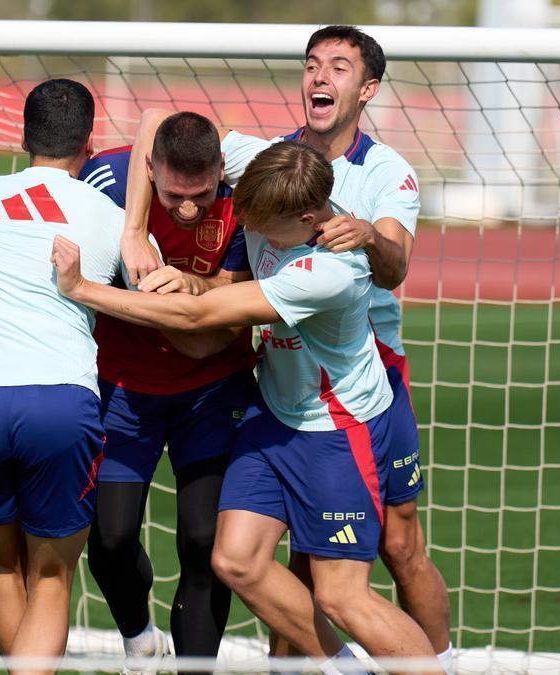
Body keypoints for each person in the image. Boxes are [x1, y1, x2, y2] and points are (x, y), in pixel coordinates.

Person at [119, 25, 453, 673]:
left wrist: (368, 237)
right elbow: (158, 120)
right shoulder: (269, 159)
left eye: (339, 67)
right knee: (275, 560)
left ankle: (444, 661)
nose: (320, 76)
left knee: (397, 546)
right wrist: (135, 231)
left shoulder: (386, 173)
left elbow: (394, 267)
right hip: (283, 377)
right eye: (311, 64)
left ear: (368, 89)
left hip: (365, 379)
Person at [52, 141, 440, 675]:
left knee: (342, 595)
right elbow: (158, 125)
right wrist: (135, 230)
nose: (246, 226)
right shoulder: (275, 177)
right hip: (273, 414)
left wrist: (81, 288)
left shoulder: (331, 271)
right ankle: (345, 668)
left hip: (336, 430)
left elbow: (197, 318)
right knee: (235, 560)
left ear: (306, 220)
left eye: (260, 223)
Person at [0, 78, 127, 675]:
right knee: (51, 577)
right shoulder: (112, 217)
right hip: (59, 400)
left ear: (23, 137)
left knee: (1, 569)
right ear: (90, 144)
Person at [76, 111, 255, 669]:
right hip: (123, 388)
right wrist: (131, 238)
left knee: (204, 542)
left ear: (221, 168)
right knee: (109, 542)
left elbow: (241, 294)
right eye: (175, 195)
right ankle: (140, 640)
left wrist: (188, 291)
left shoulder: (247, 193)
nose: (188, 209)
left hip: (212, 390)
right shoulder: (104, 182)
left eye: (201, 195)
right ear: (149, 167)